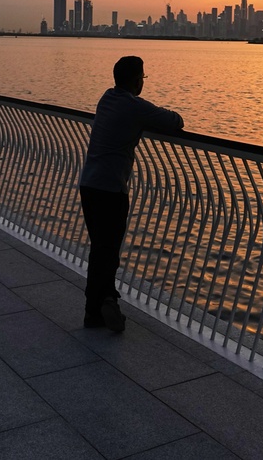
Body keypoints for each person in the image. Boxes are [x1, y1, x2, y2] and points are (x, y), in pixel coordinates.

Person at [79, 56, 184, 332]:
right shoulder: (134, 106)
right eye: (143, 78)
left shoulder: (107, 98)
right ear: (137, 80)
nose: (142, 82)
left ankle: (103, 304)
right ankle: (99, 309)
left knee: (100, 250)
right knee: (108, 252)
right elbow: (174, 121)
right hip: (110, 189)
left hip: (88, 184)